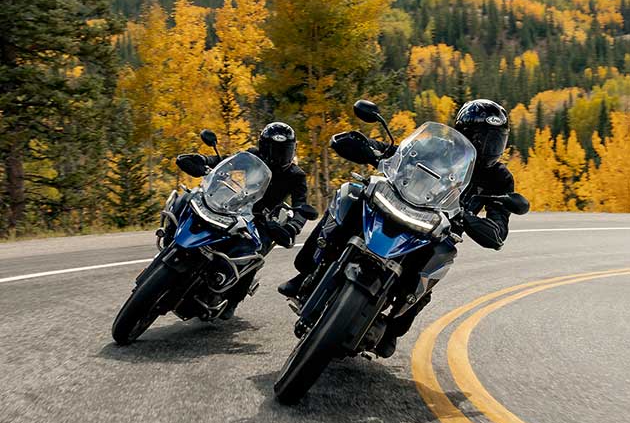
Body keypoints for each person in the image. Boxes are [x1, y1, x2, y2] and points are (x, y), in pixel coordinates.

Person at [277, 99, 513, 356]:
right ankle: (307, 271)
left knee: (435, 265)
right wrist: (369, 149)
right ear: (465, 133)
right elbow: (398, 153)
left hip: (437, 228)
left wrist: (482, 224)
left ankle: (392, 328)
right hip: (401, 201)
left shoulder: (499, 178)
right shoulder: (437, 145)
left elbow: (498, 225)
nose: (488, 147)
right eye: (482, 138)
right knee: (352, 195)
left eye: (495, 141)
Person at [179, 122, 309, 320]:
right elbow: (227, 162)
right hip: (236, 204)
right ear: (263, 146)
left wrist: (293, 226)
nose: (278, 155)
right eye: (273, 149)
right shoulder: (252, 156)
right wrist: (203, 160)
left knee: (254, 255)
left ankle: (232, 300)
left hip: (263, 220)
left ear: (293, 150)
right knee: (190, 199)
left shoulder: (296, 175)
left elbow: (301, 206)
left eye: (284, 150)